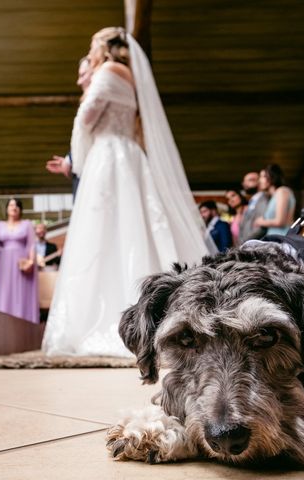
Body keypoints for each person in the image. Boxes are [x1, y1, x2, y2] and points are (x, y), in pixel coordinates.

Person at [42, 27, 210, 357]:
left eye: (92, 49)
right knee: (134, 230)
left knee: (103, 236)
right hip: (127, 155)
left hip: (108, 156)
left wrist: (77, 146)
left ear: (103, 47)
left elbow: (88, 117)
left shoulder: (107, 71)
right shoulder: (131, 77)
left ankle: (109, 320)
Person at [45, 57, 93, 199]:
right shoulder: (89, 101)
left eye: (83, 74)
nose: (79, 82)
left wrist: (69, 161)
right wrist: (69, 160)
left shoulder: (102, 100)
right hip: (83, 174)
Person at [0, 198, 39, 323]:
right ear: (7, 208)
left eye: (17, 205)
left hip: (21, 261)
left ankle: (21, 319)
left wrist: (31, 261)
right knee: (3, 289)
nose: (13, 207)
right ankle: (0, 319)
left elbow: (31, 244)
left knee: (20, 291)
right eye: (11, 205)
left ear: (20, 210)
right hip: (2, 261)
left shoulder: (26, 224)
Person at [254, 164, 296, 236]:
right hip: (274, 238)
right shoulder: (273, 196)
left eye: (263, 176)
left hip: (282, 238)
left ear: (272, 176)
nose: (260, 180)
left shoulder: (282, 191)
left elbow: (280, 221)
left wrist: (260, 222)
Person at [238, 171, 269, 244]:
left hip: (256, 245)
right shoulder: (252, 201)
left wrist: (246, 241)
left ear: (259, 181)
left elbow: (261, 227)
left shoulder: (264, 199)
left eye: (250, 180)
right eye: (244, 181)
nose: (244, 184)